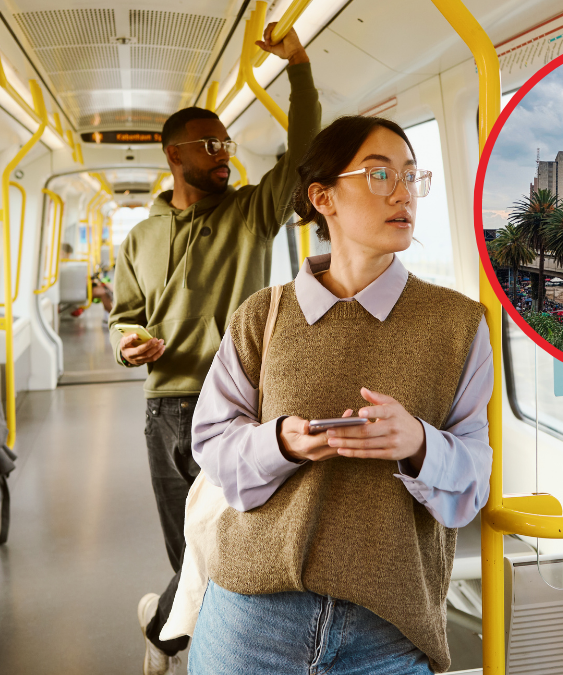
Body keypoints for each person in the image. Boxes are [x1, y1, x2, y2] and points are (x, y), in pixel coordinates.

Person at [188, 116, 493, 674]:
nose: (403, 193)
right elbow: (210, 443)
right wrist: (280, 443)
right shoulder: (263, 315)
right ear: (322, 197)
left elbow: (474, 480)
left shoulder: (459, 325)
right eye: (379, 174)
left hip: (388, 630)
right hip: (252, 620)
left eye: (411, 176)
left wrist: (418, 442)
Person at [109, 20, 321, 674]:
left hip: (239, 400)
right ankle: (172, 627)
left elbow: (306, 149)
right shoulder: (141, 238)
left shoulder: (252, 213)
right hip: (164, 406)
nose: (224, 152)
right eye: (210, 144)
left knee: (234, 545)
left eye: (226, 141)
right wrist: (127, 345)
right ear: (175, 156)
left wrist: (299, 69)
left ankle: (173, 633)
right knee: (189, 550)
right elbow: (125, 315)